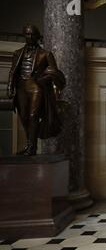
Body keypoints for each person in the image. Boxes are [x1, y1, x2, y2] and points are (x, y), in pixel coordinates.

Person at [7, 25, 65, 156]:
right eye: (27, 34)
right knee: (24, 117)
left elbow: (55, 72)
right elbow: (13, 72)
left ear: (37, 37)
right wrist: (9, 87)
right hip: (21, 86)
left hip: (36, 87)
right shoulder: (17, 53)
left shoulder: (46, 54)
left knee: (33, 116)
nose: (29, 37)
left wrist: (46, 78)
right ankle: (29, 145)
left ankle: (32, 148)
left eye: (32, 34)